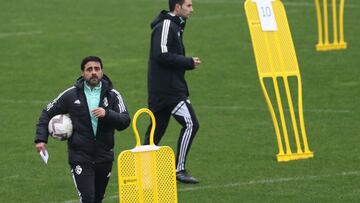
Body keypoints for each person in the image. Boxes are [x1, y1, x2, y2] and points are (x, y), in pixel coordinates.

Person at [34, 56, 131, 203]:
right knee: (87, 198)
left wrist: (107, 114)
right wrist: (41, 139)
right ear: (83, 73)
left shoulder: (112, 95)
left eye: (97, 69)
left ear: (102, 72)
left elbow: (125, 121)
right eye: (89, 69)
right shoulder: (71, 94)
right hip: (80, 156)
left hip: (104, 156)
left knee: (97, 198)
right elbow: (47, 112)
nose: (93, 72)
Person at [145, 0, 201, 184]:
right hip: (168, 90)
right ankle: (179, 169)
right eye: (189, 6)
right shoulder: (167, 25)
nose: (192, 10)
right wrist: (188, 62)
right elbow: (161, 55)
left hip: (166, 88)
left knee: (155, 131)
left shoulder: (176, 25)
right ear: (177, 7)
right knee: (191, 124)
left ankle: (143, 170)